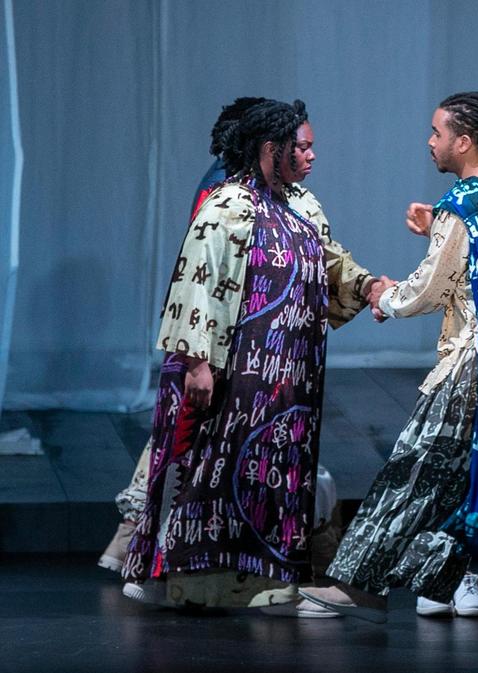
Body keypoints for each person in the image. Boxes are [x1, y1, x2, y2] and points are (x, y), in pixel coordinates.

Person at [300, 92, 478, 623]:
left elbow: (432, 286)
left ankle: (361, 583)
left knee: (416, 468)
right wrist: (438, 223)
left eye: (437, 133)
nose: (430, 142)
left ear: (464, 142)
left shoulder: (463, 202)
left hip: (473, 364)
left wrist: (385, 298)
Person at [121, 99, 383, 610]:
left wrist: (371, 287)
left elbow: (332, 264)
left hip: (291, 383)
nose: (311, 156)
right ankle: (196, 582)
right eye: (301, 147)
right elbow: (196, 287)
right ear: (271, 149)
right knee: (213, 472)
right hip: (236, 377)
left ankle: (275, 580)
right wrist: (198, 362)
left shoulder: (304, 205)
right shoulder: (227, 207)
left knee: (279, 478)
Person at [99, 97, 268, 576]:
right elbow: (205, 271)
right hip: (212, 333)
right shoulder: (225, 189)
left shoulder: (234, 184)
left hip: (215, 330)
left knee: (188, 433)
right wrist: (199, 352)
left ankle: (139, 542)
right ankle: (139, 540)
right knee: (183, 433)